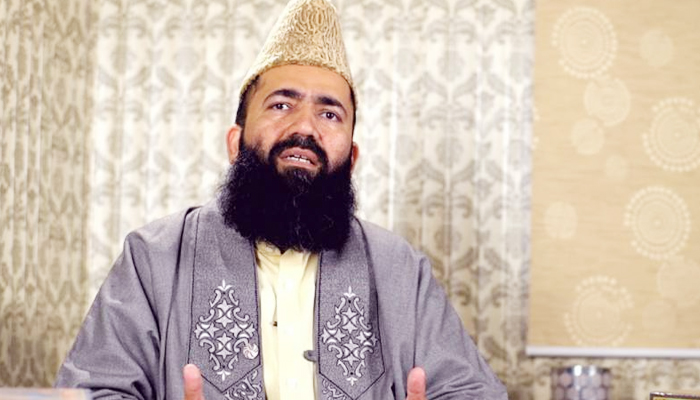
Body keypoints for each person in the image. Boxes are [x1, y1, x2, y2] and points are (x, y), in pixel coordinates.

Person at [55, 0, 508, 399]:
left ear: (351, 158)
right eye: (281, 105)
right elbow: (91, 392)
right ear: (235, 144)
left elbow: (470, 392)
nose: (305, 127)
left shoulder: (400, 269)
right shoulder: (153, 259)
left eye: (329, 113)